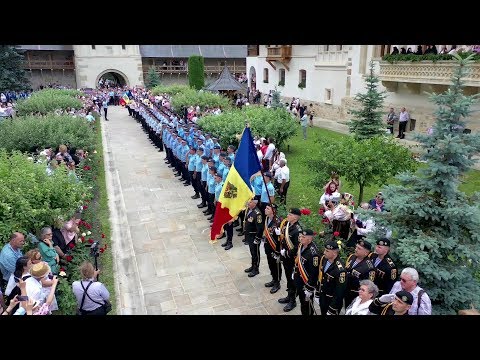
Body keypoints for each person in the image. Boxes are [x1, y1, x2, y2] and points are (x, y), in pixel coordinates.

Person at [277, 208, 303, 312]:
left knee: (293, 280)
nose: (288, 215)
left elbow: (297, 247)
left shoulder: (298, 230)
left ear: (296, 217)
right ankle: (289, 296)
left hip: (292, 259)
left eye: (290, 214)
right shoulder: (288, 225)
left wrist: (287, 253)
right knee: (288, 278)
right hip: (286, 258)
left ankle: (293, 301)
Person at [314, 240, 347, 315]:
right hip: (323, 296)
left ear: (335, 253)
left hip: (331, 301)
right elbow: (321, 277)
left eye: (327, 251)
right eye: (325, 250)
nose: (324, 252)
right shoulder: (325, 259)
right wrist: (318, 293)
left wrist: (332, 308)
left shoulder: (340, 270)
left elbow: (339, 292)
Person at [293, 229, 320, 315]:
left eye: (303, 237)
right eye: (301, 236)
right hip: (299, 280)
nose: (300, 238)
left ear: (309, 239)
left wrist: (310, 288)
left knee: (307, 305)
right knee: (302, 302)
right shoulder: (301, 245)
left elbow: (314, 273)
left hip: (306, 284)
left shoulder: (313, 253)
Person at [344, 240, 376, 308]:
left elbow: (368, 285)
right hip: (345, 289)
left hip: (355, 295)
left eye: (359, 248)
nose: (356, 250)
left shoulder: (369, 268)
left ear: (366, 253)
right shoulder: (352, 257)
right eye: (356, 247)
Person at [263, 204, 282, 294]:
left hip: (275, 248)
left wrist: (278, 251)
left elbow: (281, 239)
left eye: (267, 208)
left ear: (273, 211)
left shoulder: (278, 222)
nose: (265, 209)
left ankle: (277, 283)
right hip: (268, 247)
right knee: (271, 264)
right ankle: (274, 279)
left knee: (276, 266)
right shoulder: (267, 218)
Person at [243, 199, 264, 277]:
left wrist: (257, 238)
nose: (248, 202)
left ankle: (256, 269)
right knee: (252, 252)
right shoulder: (249, 210)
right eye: (248, 201)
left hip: (254, 236)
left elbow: (260, 228)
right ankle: (253, 266)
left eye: (251, 202)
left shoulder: (257, 214)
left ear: (255, 203)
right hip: (249, 235)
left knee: (256, 253)